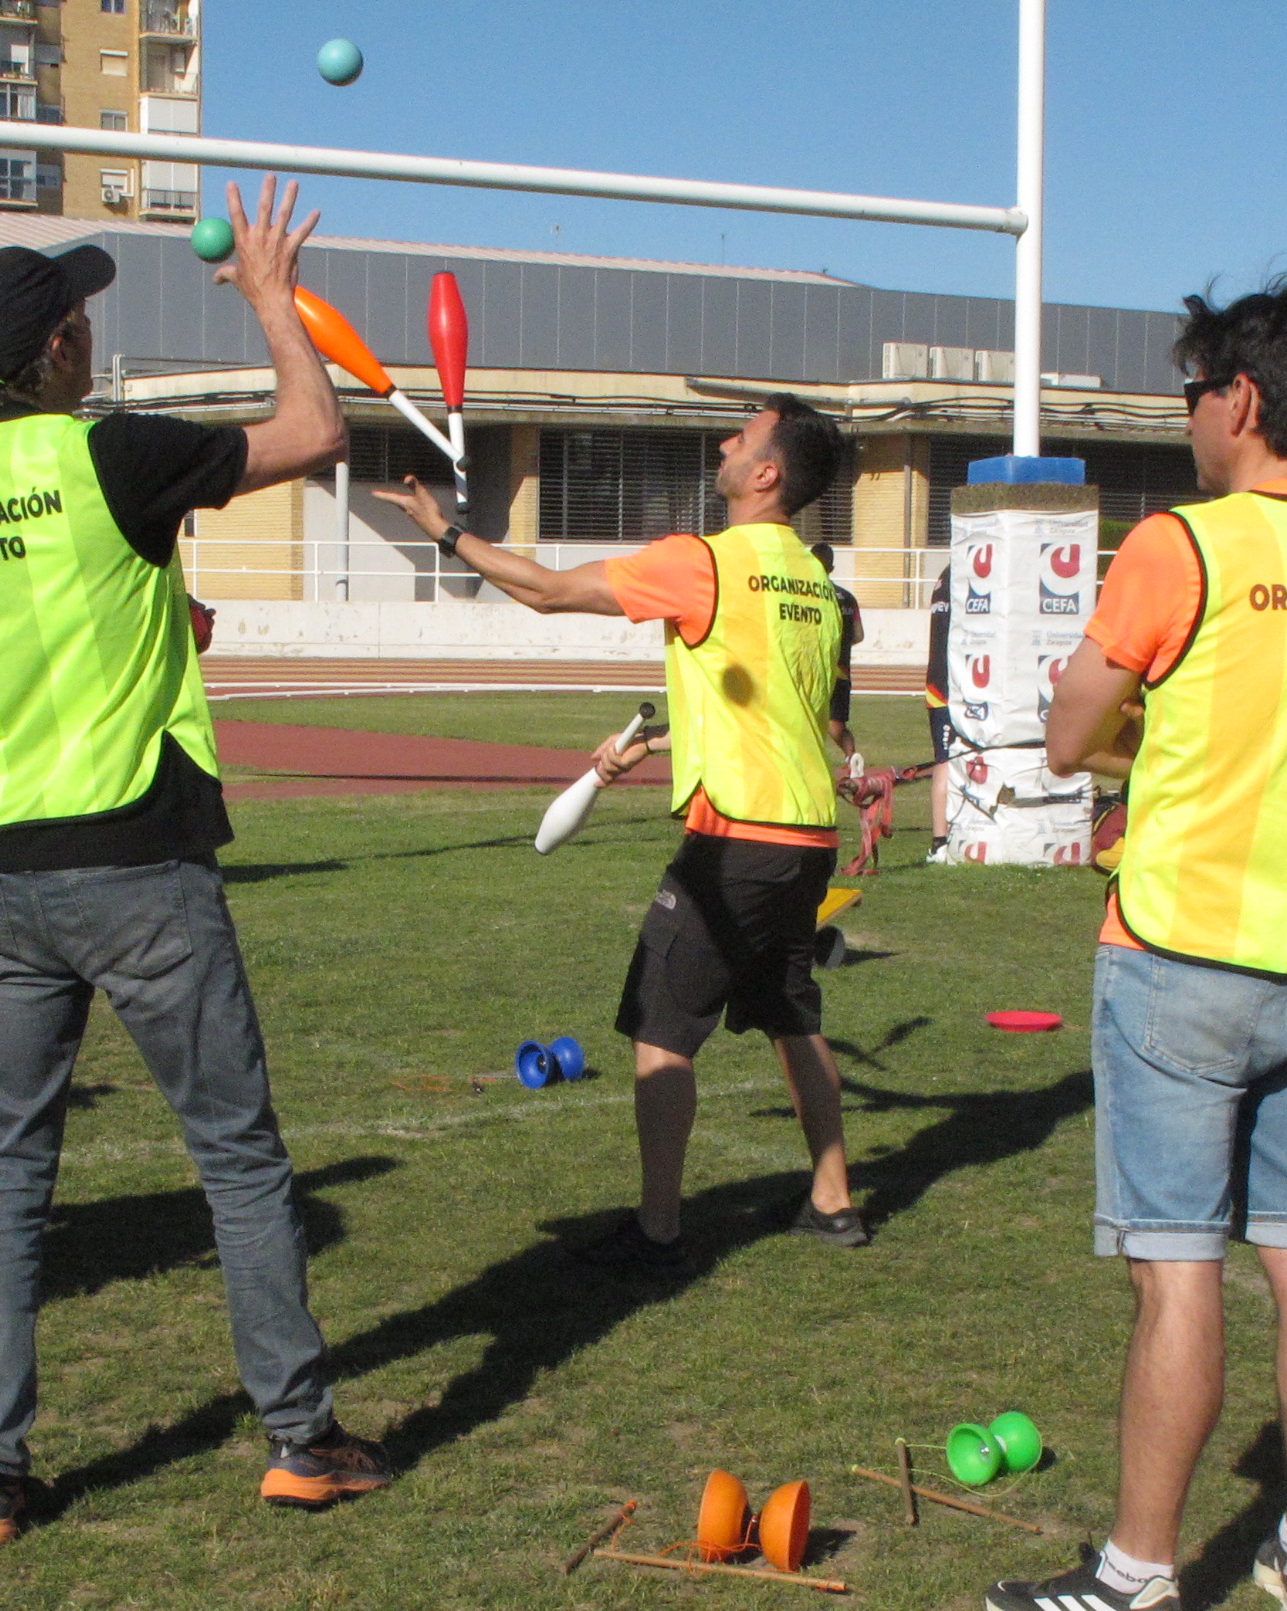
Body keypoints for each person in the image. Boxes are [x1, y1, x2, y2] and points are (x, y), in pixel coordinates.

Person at [0, 189, 386, 1547]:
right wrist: (273, 300)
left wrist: (160, 609)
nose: (91, 335)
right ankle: (300, 1439)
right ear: (54, 349)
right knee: (237, 1157)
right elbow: (315, 431)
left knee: (6, 1173)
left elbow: (39, 618)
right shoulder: (107, 453)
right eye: (80, 319)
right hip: (135, 859)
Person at [980, 275, 1287, 1611]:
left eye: (1188, 393)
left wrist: (1129, 738)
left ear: (1239, 398)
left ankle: (1138, 1582)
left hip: (1179, 957)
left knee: (1176, 1271)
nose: (1182, 420)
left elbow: (1068, 733)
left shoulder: (1184, 543)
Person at [375, 397, 863, 1265]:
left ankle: (658, 1229)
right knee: (793, 1017)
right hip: (806, 839)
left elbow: (547, 591)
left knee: (661, 1028)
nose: (724, 442)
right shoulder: (818, 587)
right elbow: (784, 716)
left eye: (743, 436)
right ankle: (833, 1205)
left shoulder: (703, 562)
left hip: (735, 838)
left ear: (766, 473)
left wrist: (446, 534)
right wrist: (665, 741)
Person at [812, 542, 865, 761]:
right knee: (836, 725)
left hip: (814, 668)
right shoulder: (848, 597)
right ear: (831, 568)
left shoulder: (809, 595)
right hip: (841, 670)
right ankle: (852, 758)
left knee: (806, 718)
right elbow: (858, 635)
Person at [920, 561, 958, 860]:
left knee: (947, 759)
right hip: (949, 685)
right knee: (945, 761)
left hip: (939, 681)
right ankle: (940, 840)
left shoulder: (946, 573)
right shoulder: (964, 574)